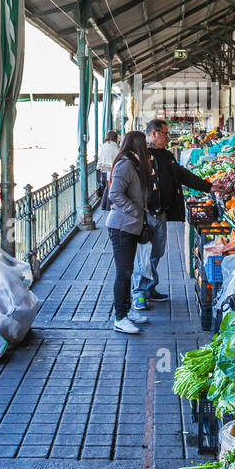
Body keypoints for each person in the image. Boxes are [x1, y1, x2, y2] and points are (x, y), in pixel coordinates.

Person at [132, 118, 213, 309]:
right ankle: (140, 293)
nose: (168, 137)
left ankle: (150, 288)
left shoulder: (166, 156)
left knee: (157, 252)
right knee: (145, 254)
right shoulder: (140, 156)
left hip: (161, 213)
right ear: (154, 134)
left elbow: (182, 175)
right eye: (165, 134)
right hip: (146, 213)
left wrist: (208, 186)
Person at [105, 131, 154, 334]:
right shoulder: (125, 164)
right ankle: (120, 317)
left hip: (130, 226)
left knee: (127, 271)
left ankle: (127, 312)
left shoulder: (132, 162)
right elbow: (114, 193)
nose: (148, 146)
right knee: (123, 273)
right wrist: (136, 211)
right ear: (137, 145)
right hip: (121, 226)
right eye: (145, 143)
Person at [96, 130, 119, 196]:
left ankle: (104, 203)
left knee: (106, 188)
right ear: (115, 138)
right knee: (110, 189)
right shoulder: (115, 147)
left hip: (102, 171)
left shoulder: (104, 145)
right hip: (111, 171)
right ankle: (106, 203)